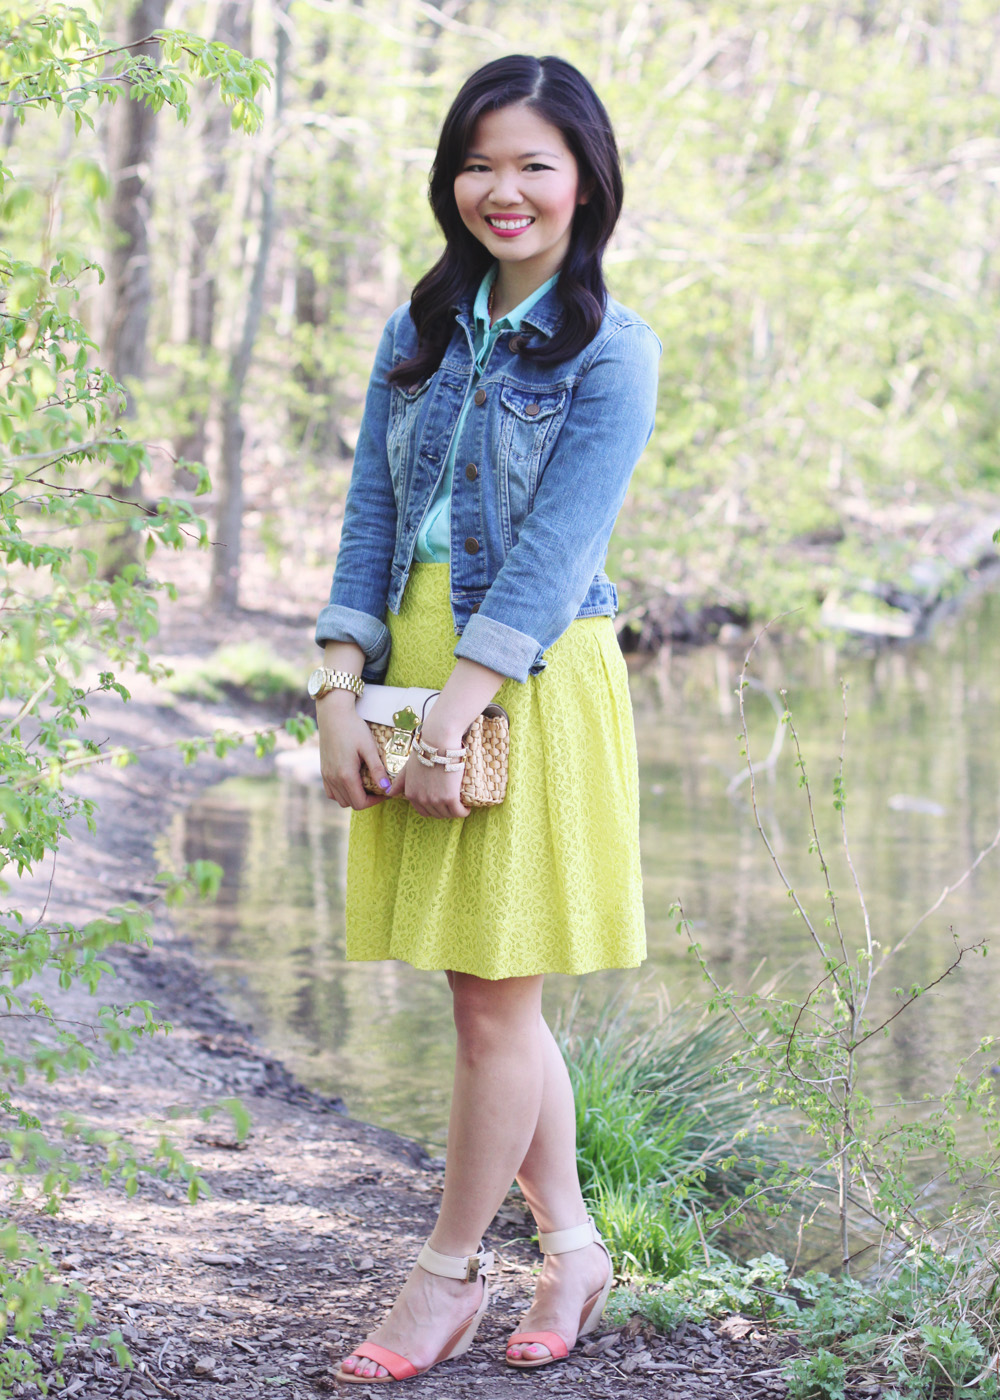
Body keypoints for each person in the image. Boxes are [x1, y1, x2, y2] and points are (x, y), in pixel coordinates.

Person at [311, 53, 660, 1386]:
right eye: (480, 163)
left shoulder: (614, 349)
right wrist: (338, 690)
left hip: (525, 678)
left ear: (585, 180)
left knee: (492, 1002)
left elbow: (554, 556)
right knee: (484, 991)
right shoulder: (420, 335)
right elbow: (368, 527)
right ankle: (572, 1248)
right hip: (408, 666)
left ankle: (446, 1277)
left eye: (533, 165)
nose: (502, 191)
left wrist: (458, 712)